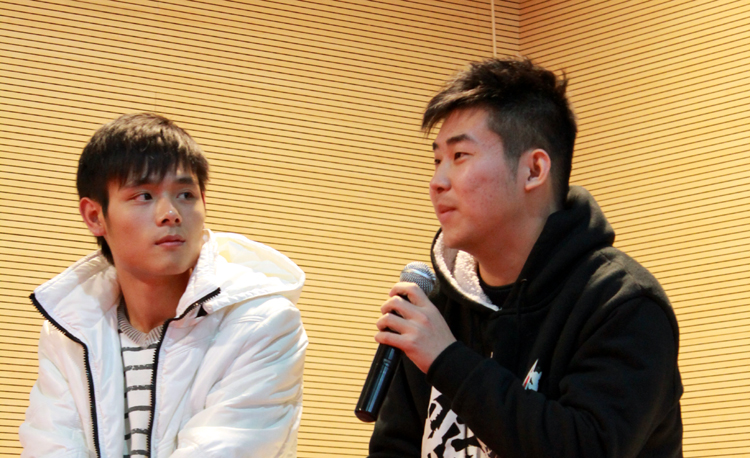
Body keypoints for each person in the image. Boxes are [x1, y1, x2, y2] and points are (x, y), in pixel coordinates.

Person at [368, 58, 683, 457]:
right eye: (436, 160)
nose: (437, 182)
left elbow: (587, 447)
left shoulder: (623, 304)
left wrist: (447, 360)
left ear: (534, 170)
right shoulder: (435, 311)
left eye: (460, 155)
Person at [19, 113, 308, 458]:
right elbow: (50, 447)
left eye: (186, 194)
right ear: (95, 216)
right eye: (144, 195)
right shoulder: (69, 330)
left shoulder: (263, 322)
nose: (170, 213)